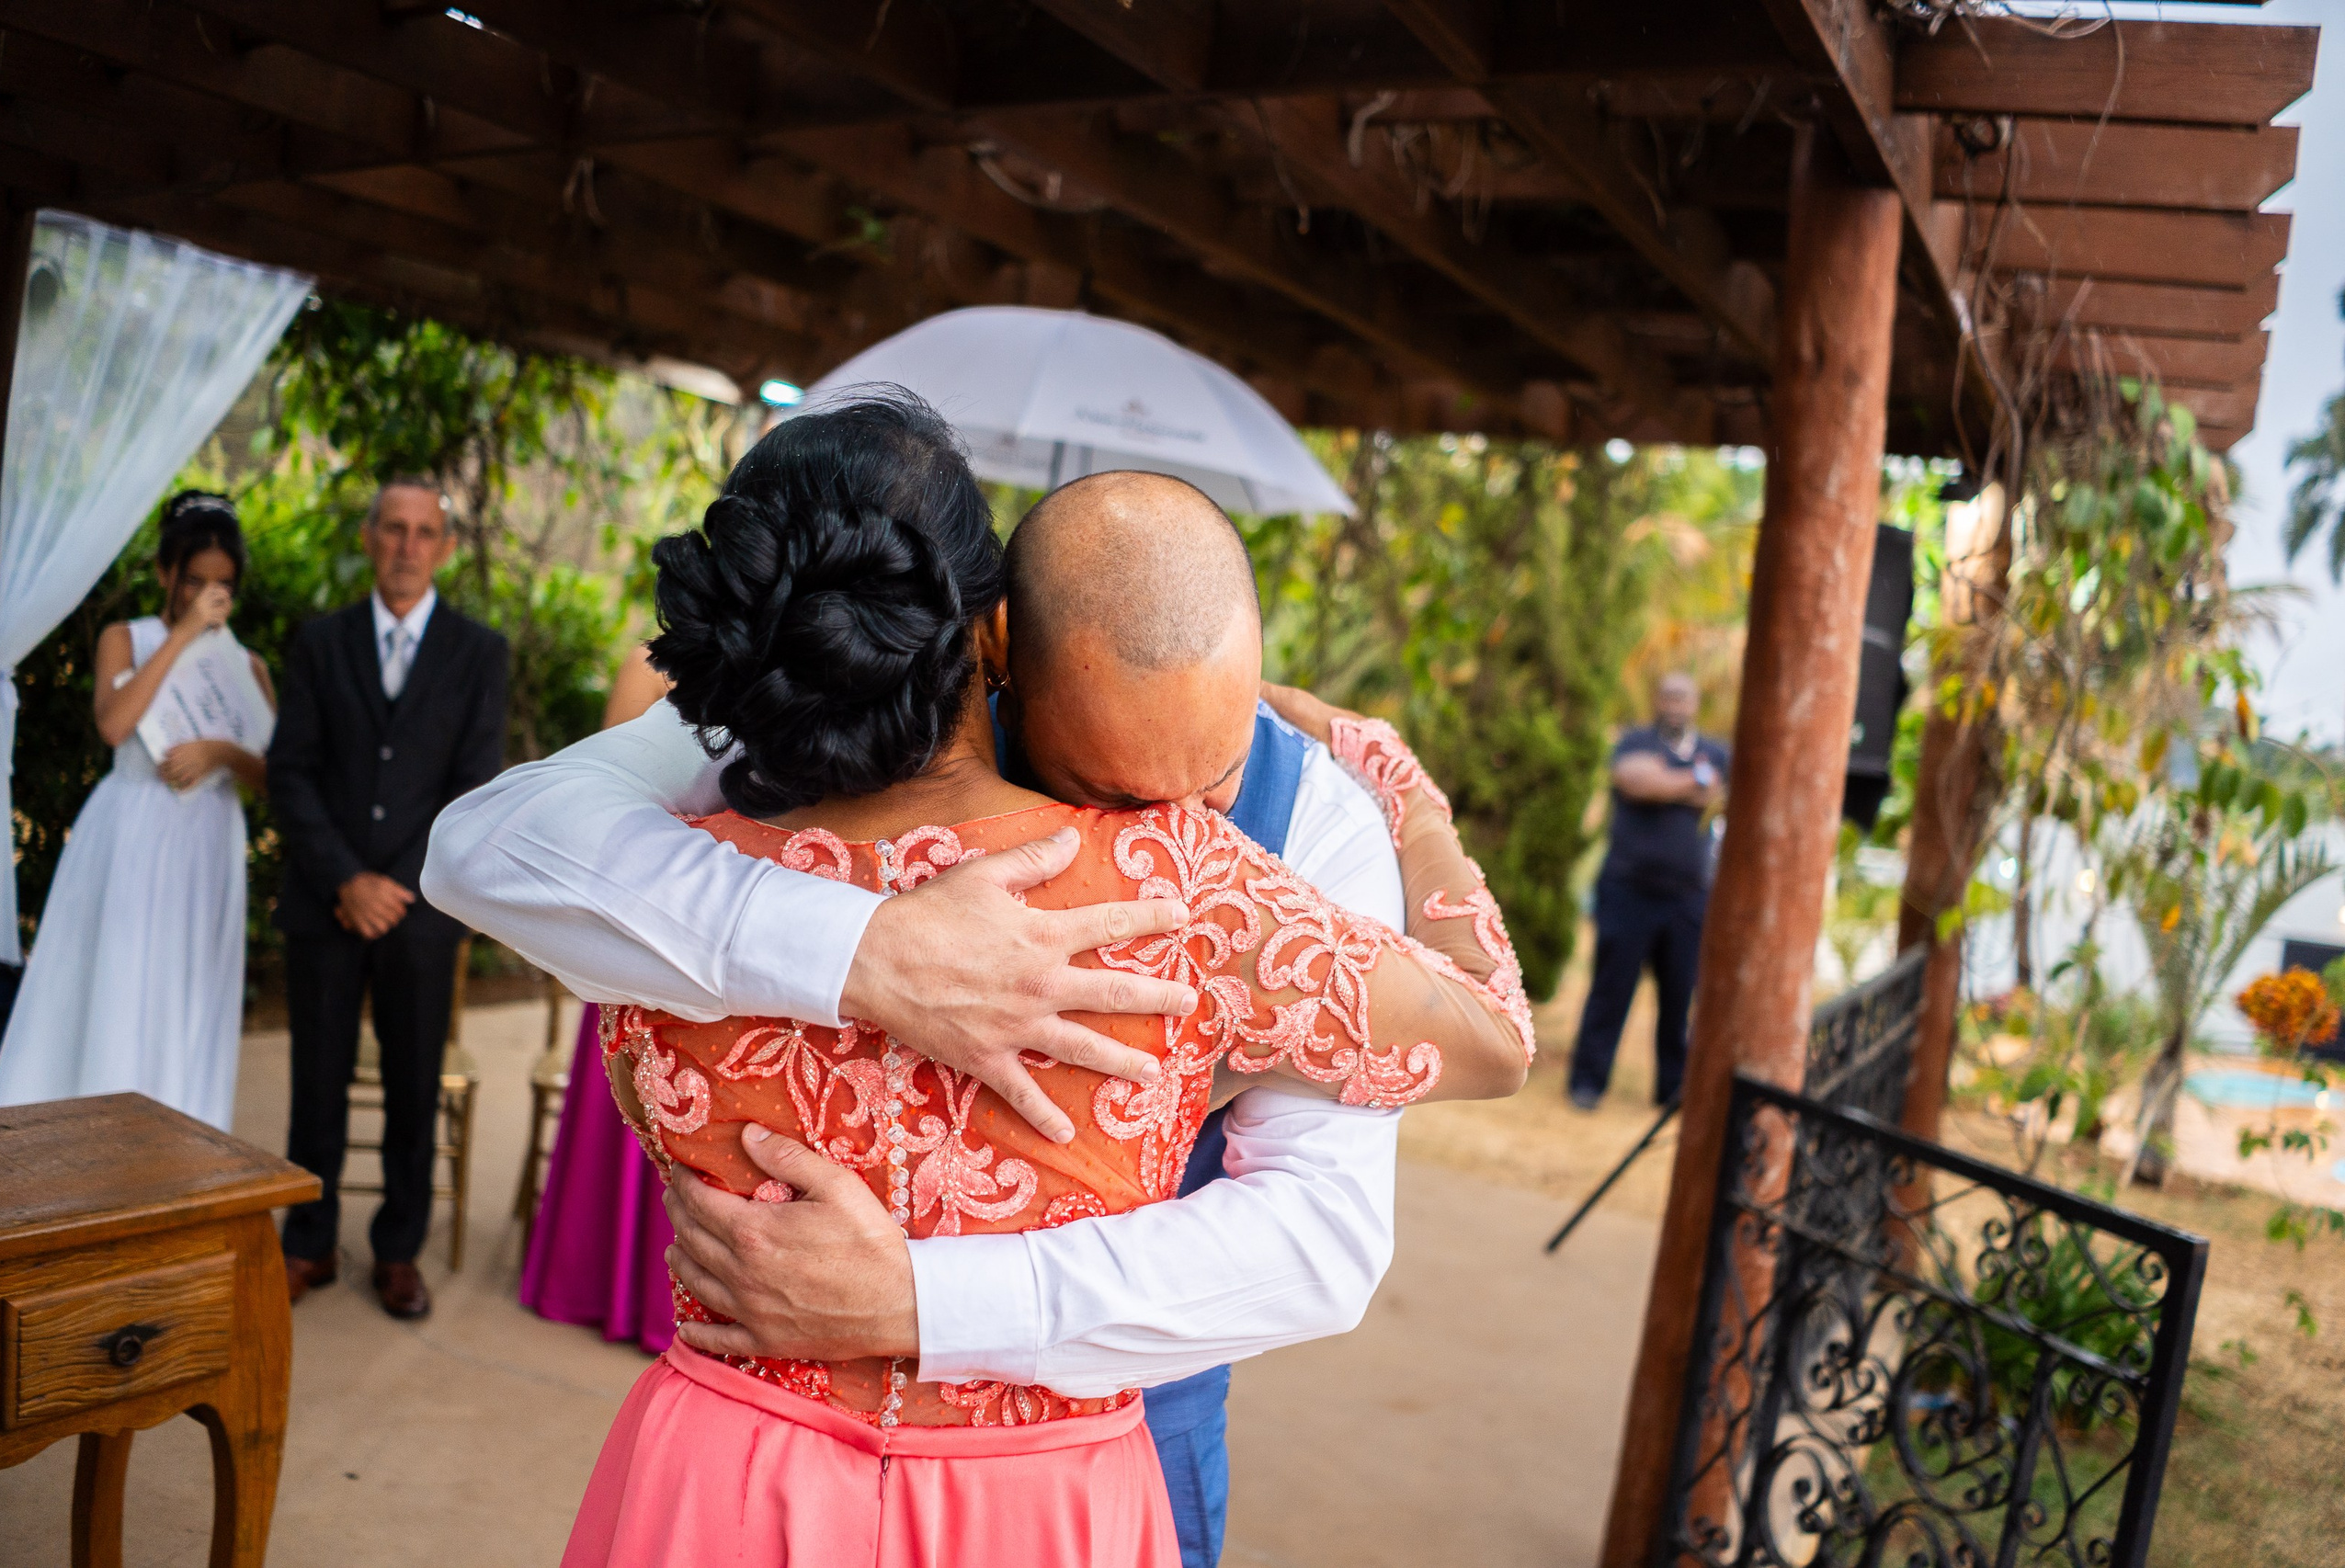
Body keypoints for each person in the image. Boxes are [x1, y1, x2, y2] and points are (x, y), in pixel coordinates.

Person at [429, 464, 1531, 1568]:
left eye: (1216, 778)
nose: (1166, 824)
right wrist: (872, 954)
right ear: (992, 645)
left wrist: (916, 1297)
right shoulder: (1192, 881)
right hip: (1034, 1495)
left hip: (1023, 1397)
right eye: (1108, 782)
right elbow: (1490, 1033)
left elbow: (1318, 1242)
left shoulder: (684, 850)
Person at [269, 477, 509, 1322]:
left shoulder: (480, 654)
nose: (407, 545)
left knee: (413, 1087)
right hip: (325, 905)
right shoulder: (320, 644)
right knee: (316, 1083)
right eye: (393, 529)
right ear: (370, 538)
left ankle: (398, 1250)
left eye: (424, 532)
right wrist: (345, 878)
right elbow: (290, 772)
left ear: (444, 548)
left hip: (417, 917)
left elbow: (473, 785)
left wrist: (395, 885)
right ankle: (307, 1242)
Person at [0, 492, 274, 1130]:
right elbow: (115, 724)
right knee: (116, 983)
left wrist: (223, 752)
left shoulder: (246, 664)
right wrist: (182, 636)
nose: (209, 595)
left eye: (223, 584)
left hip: (207, 841)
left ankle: (179, 1140)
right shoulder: (127, 639)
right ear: (165, 574)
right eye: (195, 580)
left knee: (188, 996)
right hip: (131, 831)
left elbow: (276, 775)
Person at [518, 643, 680, 1355]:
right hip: (649, 915)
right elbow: (611, 801)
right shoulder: (648, 664)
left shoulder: (780, 658)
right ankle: (607, 1287)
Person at [1566, 671, 1730, 1110]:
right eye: (1668, 696)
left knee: (1679, 999)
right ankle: (1588, 1082)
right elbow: (1635, 780)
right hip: (1628, 892)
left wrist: (1669, 784)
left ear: (1695, 703)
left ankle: (1672, 1091)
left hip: (1688, 899)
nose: (1675, 705)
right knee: (1610, 991)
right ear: (1657, 700)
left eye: (1683, 697)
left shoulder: (1717, 751)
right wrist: (1694, 786)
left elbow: (1726, 796)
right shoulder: (1636, 742)